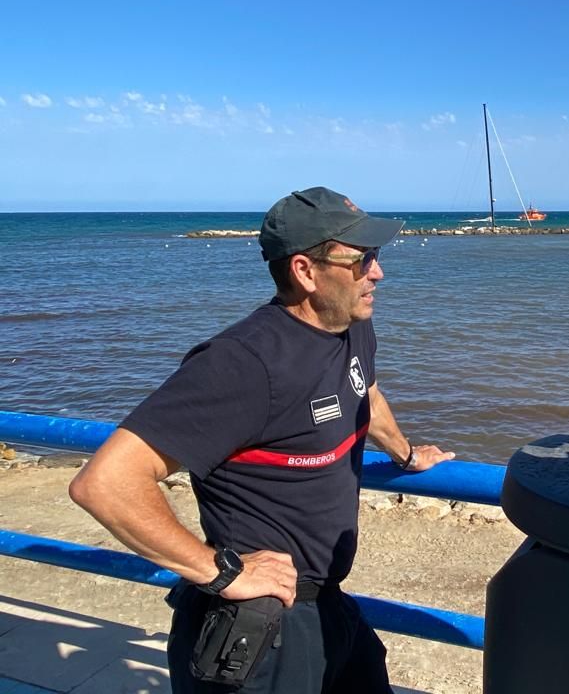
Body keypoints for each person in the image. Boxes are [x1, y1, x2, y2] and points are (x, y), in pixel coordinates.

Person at [69, 186, 454, 693]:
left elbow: (366, 392)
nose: (377, 272)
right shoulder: (244, 363)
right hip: (257, 624)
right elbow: (106, 482)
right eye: (360, 260)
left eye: (376, 257)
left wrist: (405, 454)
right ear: (305, 271)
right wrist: (221, 573)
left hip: (326, 603)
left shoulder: (351, 327)